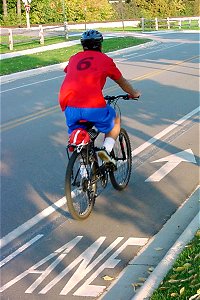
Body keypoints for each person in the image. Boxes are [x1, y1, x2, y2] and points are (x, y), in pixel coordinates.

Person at [59, 29, 141, 166]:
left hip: (69, 106)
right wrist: (134, 93)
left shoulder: (74, 58)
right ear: (100, 45)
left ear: (83, 45)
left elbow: (69, 70)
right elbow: (122, 81)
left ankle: (84, 172)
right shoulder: (105, 60)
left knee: (80, 138)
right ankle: (106, 150)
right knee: (115, 121)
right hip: (92, 106)